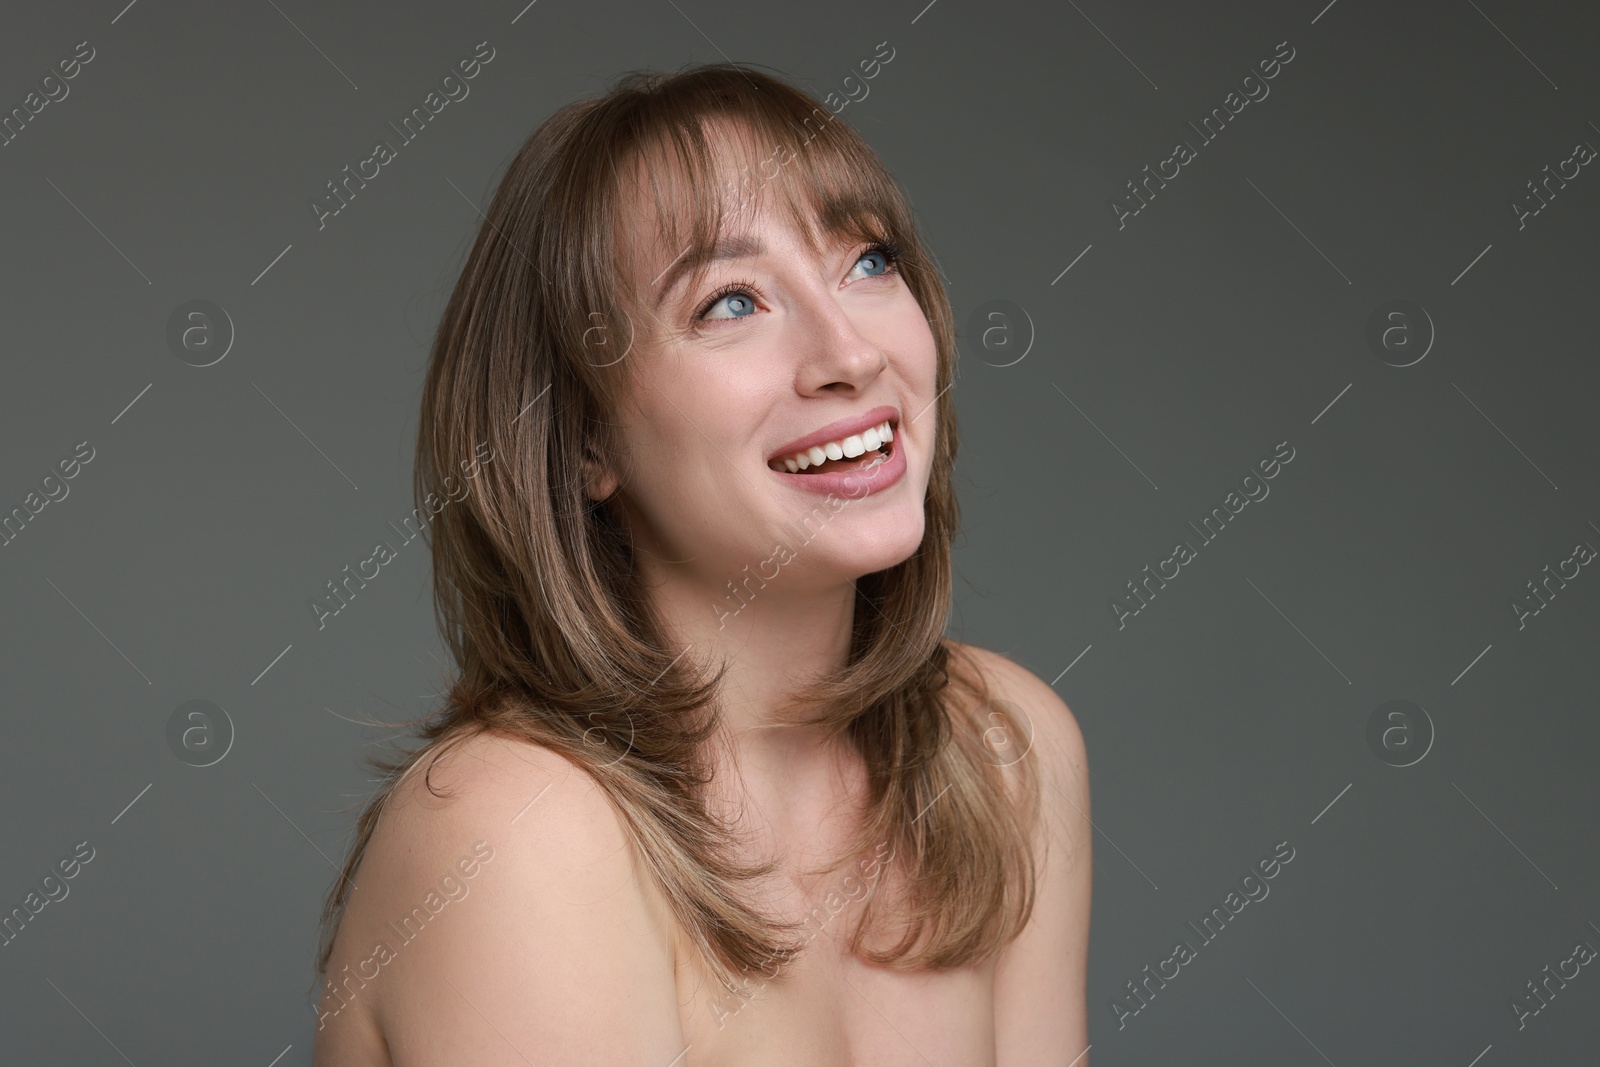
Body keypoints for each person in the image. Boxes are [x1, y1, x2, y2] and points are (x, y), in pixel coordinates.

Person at [311, 60, 1090, 1067]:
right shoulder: (515, 830)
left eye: (867, 260)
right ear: (585, 437)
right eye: (730, 302)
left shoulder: (1002, 750)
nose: (850, 353)